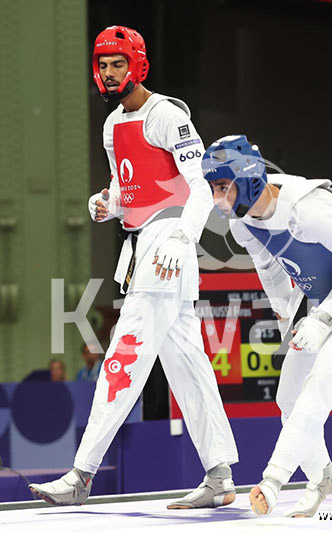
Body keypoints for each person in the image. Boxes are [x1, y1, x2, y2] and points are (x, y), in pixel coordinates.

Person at [29, 26, 238, 509]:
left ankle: (81, 475)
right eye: (103, 64)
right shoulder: (111, 125)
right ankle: (220, 476)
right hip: (142, 243)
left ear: (137, 65)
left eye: (117, 64)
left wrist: (184, 238)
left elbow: (201, 186)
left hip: (169, 245)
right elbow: (129, 190)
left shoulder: (168, 116)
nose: (108, 73)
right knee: (188, 365)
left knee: (123, 355)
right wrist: (108, 204)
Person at [202, 135, 332, 518]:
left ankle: (272, 481)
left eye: (222, 187)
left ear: (248, 179)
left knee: (322, 382)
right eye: (212, 188)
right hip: (323, 297)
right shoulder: (242, 224)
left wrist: (324, 319)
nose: (216, 198)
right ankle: (323, 476)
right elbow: (268, 264)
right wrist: (283, 311)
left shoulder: (311, 211)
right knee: (288, 399)